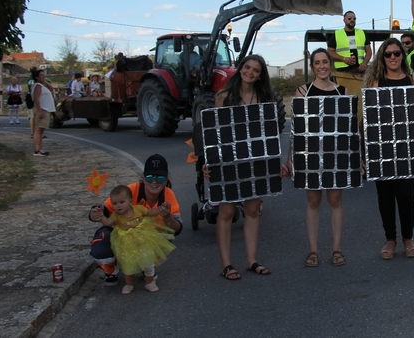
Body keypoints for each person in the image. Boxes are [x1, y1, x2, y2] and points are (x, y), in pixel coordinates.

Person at [206, 55, 279, 280]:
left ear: (260, 75)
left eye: (256, 70)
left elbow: (269, 135)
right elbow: (214, 133)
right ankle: (226, 264)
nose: (250, 72)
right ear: (240, 69)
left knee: (252, 210)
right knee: (227, 212)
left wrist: (274, 164)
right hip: (228, 159)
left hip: (255, 160)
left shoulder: (265, 99)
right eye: (247, 67)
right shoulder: (223, 96)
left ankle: (251, 260)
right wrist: (208, 162)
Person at [364, 37, 414, 259]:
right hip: (383, 147)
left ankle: (408, 238)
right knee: (385, 195)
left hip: (408, 147)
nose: (393, 57)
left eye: (396, 53)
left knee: (406, 195)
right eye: (388, 54)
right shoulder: (375, 83)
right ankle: (390, 238)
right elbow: (368, 119)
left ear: (402, 55)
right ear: (382, 57)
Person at [291, 48, 349, 268]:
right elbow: (296, 129)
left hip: (336, 154)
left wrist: (357, 159)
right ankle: (313, 251)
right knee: (313, 201)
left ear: (330, 64)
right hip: (311, 154)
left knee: (335, 200)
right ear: (312, 66)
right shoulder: (302, 92)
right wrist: (290, 159)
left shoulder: (342, 92)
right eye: (317, 63)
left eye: (325, 62)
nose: (322, 66)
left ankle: (337, 249)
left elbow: (349, 129)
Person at [89, 154, 183, 286]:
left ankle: (148, 267)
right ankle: (111, 269)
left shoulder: (168, 195)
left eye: (159, 178)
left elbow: (177, 229)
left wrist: (168, 217)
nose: (154, 182)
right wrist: (94, 214)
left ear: (166, 181)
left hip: (147, 238)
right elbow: (104, 208)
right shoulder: (130, 190)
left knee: (167, 235)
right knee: (101, 246)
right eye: (150, 177)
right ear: (143, 178)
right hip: (122, 235)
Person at [96, 184, 176, 294]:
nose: (118, 206)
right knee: (128, 265)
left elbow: (150, 212)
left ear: (130, 201)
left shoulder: (139, 209)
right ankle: (129, 284)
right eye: (115, 203)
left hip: (143, 241)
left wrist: (160, 209)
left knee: (148, 263)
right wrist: (101, 217)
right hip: (127, 244)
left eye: (122, 202)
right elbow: (107, 222)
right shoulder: (116, 216)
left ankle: (149, 282)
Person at [31, 69, 55, 156]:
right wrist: (40, 111)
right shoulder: (37, 86)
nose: (43, 76)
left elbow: (51, 88)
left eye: (43, 75)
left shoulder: (41, 85)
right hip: (42, 109)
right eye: (41, 75)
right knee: (38, 130)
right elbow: (36, 99)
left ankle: (40, 149)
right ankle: (37, 150)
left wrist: (44, 81)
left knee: (41, 130)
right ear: (36, 77)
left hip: (45, 109)